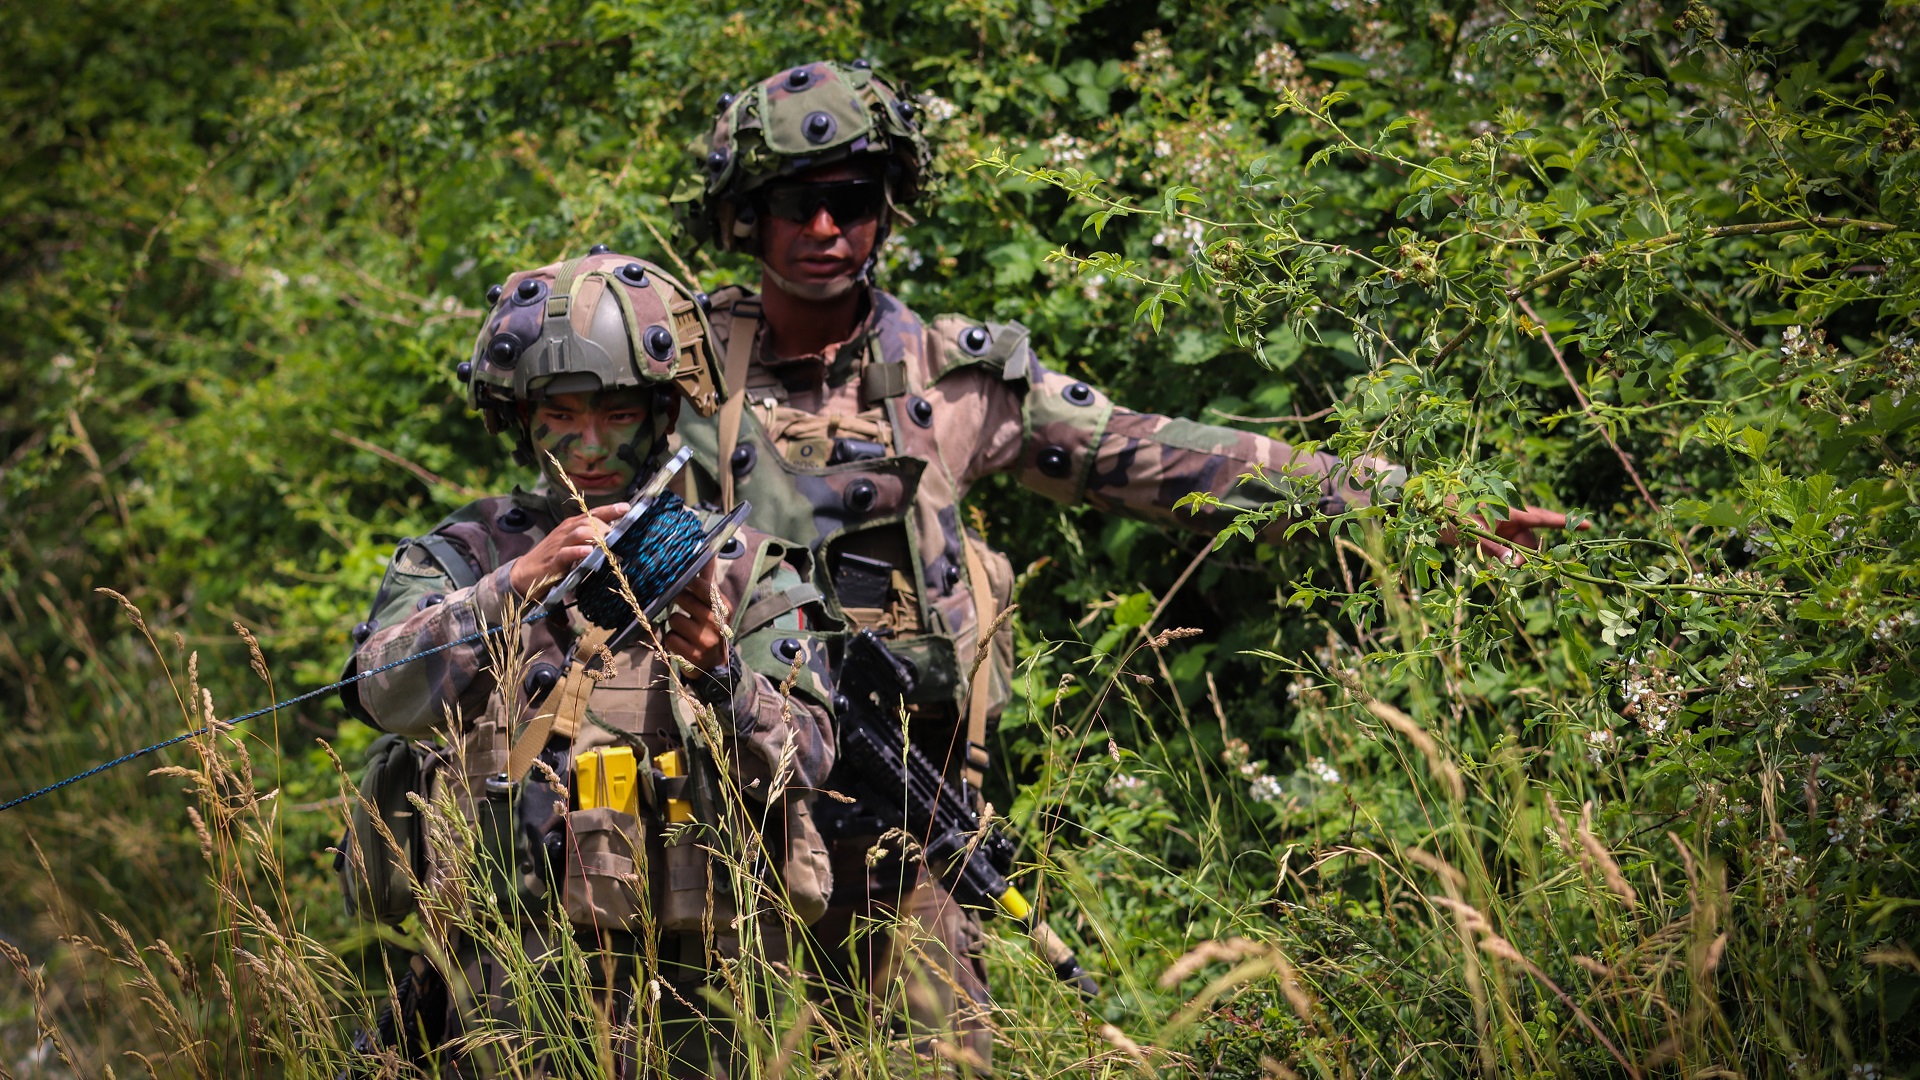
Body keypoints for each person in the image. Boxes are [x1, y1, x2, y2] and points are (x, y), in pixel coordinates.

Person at [669, 60, 1576, 1066]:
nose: (825, 229)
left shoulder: (947, 380)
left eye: (850, 200)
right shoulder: (675, 365)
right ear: (746, 214)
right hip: (703, 817)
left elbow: (1161, 458)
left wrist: (1397, 502)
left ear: (887, 207)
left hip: (899, 829)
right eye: (796, 204)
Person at [337, 251, 836, 1078]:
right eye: (562, 416)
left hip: (700, 994)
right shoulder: (464, 555)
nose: (591, 445)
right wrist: (511, 585)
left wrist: (722, 678)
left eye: (616, 414)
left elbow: (814, 756)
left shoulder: (739, 563)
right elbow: (378, 692)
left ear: (663, 411)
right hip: (505, 990)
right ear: (521, 418)